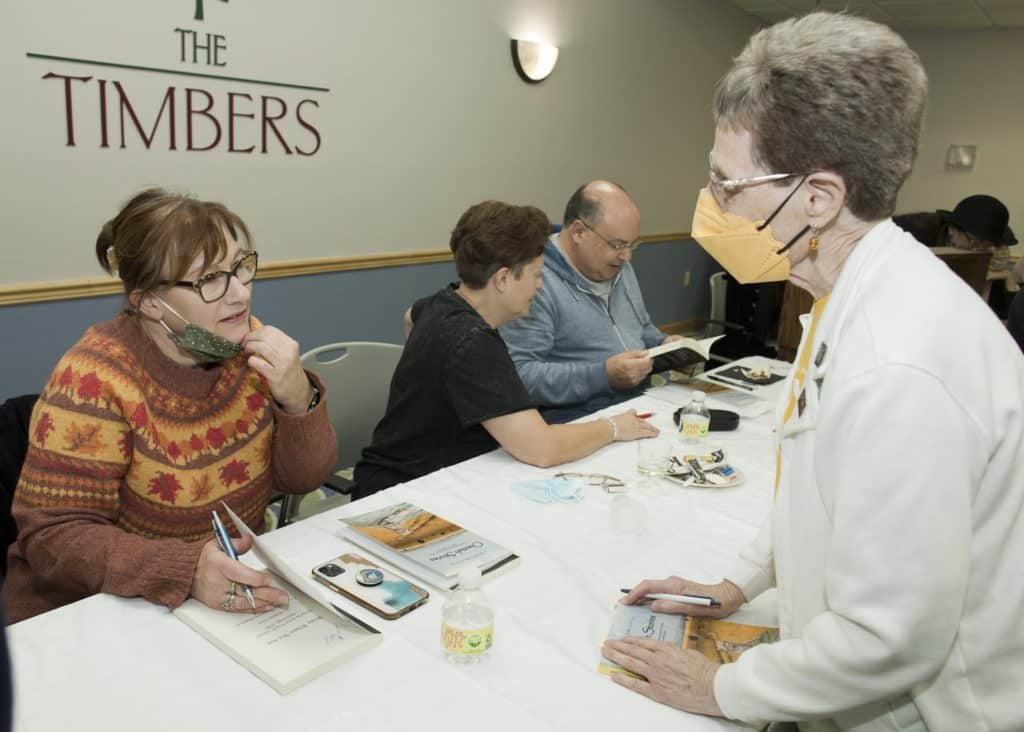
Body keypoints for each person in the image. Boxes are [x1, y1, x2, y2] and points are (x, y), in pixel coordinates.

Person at [602, 12, 1024, 730]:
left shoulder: (899, 363)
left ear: (820, 199)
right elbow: (817, 490)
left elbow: (887, 640)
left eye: (728, 183)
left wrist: (719, 688)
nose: (712, 202)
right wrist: (735, 587)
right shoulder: (850, 295)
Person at [3, 189, 337, 624]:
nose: (239, 293)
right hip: (91, 614)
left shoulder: (244, 343)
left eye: (240, 267)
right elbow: (53, 539)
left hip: (217, 599)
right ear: (148, 302)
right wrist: (185, 568)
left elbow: (304, 479)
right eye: (210, 280)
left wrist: (298, 398)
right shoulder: (93, 379)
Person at [352, 200, 657, 499]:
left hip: (414, 471)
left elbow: (409, 316)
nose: (540, 286)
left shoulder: (444, 302)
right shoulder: (472, 340)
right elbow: (543, 449)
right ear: (502, 279)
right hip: (406, 491)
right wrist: (614, 427)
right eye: (536, 275)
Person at [499, 181, 701, 424]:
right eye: (617, 244)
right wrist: (604, 375)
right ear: (578, 232)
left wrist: (666, 345)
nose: (627, 256)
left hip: (640, 405)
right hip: (578, 421)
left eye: (632, 244)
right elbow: (523, 377)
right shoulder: (536, 282)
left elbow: (640, 329)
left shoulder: (617, 264)